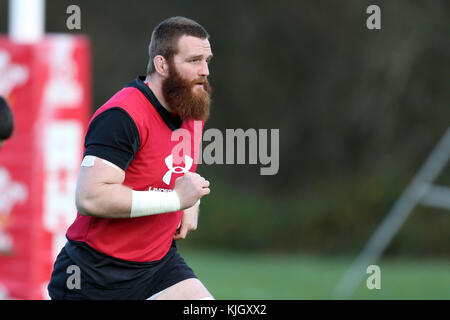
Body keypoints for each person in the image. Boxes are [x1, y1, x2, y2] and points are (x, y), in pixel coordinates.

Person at [48, 16, 214, 300]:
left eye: (207, 60)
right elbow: (90, 198)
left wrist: (191, 200)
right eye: (194, 61)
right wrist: (175, 200)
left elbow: (173, 170)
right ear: (162, 65)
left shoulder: (191, 107)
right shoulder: (122, 116)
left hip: (158, 269)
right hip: (94, 275)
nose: (205, 71)